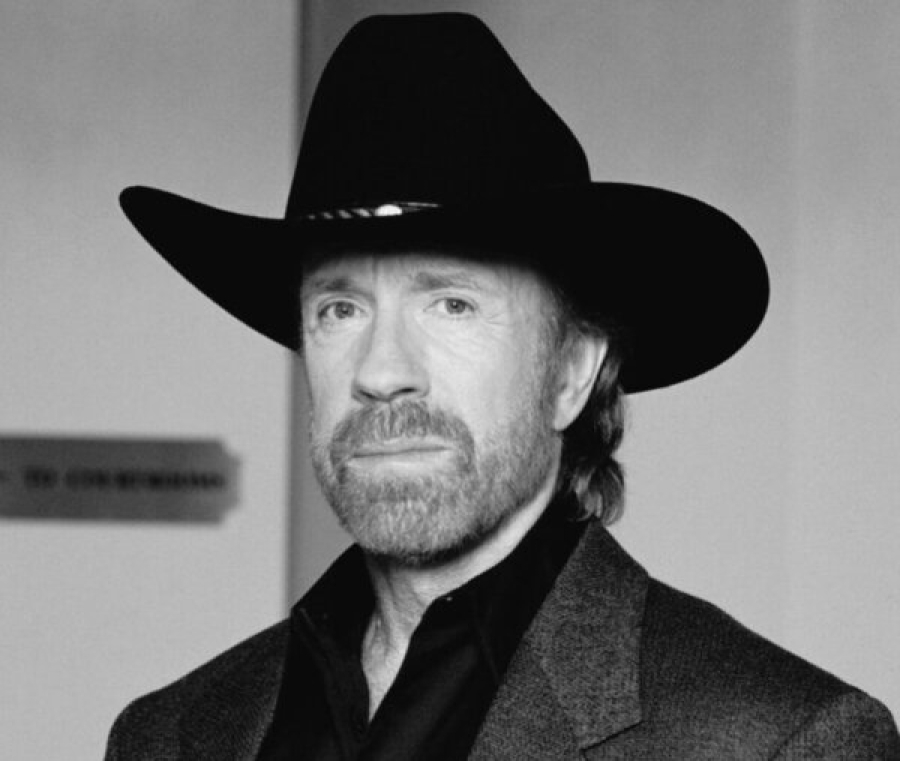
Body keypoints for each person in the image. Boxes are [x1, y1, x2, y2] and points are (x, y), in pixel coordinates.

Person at [105, 12, 899, 760]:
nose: (381, 372)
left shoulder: (781, 741)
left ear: (571, 372)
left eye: (452, 304)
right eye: (340, 309)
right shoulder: (167, 735)